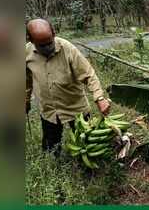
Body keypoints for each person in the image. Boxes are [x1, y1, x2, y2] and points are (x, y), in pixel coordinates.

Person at [25, 19, 111, 156]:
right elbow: (26, 80)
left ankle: (89, 170)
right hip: (49, 110)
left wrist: (99, 98)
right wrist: (25, 100)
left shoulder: (67, 49)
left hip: (75, 107)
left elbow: (88, 74)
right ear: (30, 39)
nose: (47, 48)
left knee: (88, 142)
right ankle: (54, 163)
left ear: (54, 33)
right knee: (50, 147)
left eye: (49, 43)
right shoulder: (26, 53)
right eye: (42, 45)